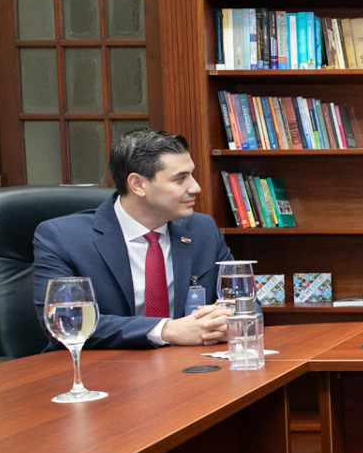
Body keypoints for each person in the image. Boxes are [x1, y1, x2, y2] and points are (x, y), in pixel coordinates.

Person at [32, 129, 235, 351]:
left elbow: (243, 299)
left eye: (192, 175)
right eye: (180, 179)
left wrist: (225, 319)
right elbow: (66, 321)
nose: (196, 187)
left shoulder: (202, 230)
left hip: (187, 364)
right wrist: (166, 330)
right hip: (101, 366)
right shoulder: (63, 238)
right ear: (137, 184)